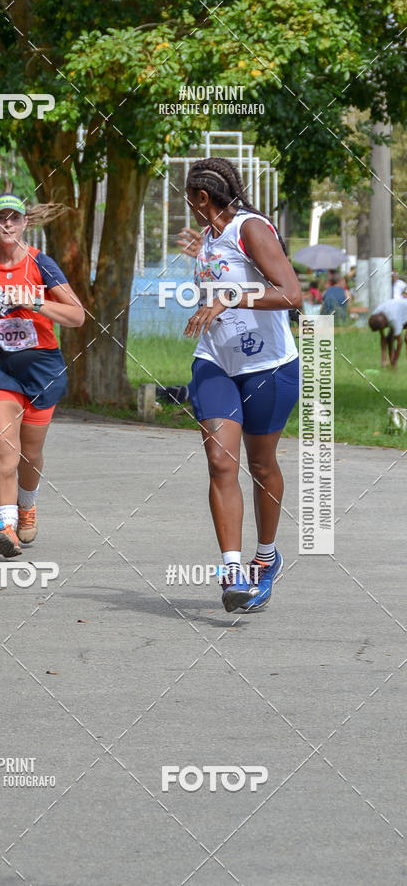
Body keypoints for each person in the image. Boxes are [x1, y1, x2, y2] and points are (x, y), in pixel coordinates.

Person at [182, 157, 302, 613]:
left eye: (189, 200)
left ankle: (266, 556)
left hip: (269, 365)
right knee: (219, 460)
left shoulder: (250, 228)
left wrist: (231, 294)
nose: (189, 207)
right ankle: (233, 573)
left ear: (202, 198)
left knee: (262, 465)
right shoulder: (212, 238)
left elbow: (291, 294)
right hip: (215, 361)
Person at [0, 194, 85, 558]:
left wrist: (31, 301)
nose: (7, 226)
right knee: (4, 448)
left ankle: (26, 503)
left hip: (40, 368)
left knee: (29, 453)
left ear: (24, 224)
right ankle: (5, 527)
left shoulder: (41, 265)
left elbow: (77, 316)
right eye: (0, 219)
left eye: (13, 219)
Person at [368, 298, 407, 368]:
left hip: (403, 312)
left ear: (385, 324)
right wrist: (383, 358)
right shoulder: (376, 315)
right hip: (400, 311)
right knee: (389, 338)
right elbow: (383, 338)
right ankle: (391, 363)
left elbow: (399, 342)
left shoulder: (394, 319)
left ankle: (394, 363)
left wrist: (394, 361)